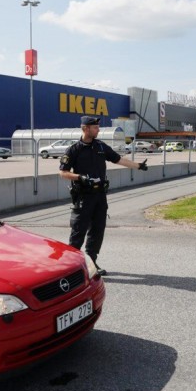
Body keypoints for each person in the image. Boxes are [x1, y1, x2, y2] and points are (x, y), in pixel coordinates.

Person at [59, 116, 149, 275]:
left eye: (98, 127)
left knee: (97, 230)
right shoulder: (73, 149)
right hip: (83, 196)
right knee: (78, 231)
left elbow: (118, 159)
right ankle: (71, 268)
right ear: (86, 128)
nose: (98, 130)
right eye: (95, 127)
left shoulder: (100, 146)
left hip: (100, 195)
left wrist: (138, 166)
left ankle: (92, 263)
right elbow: (63, 173)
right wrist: (79, 177)